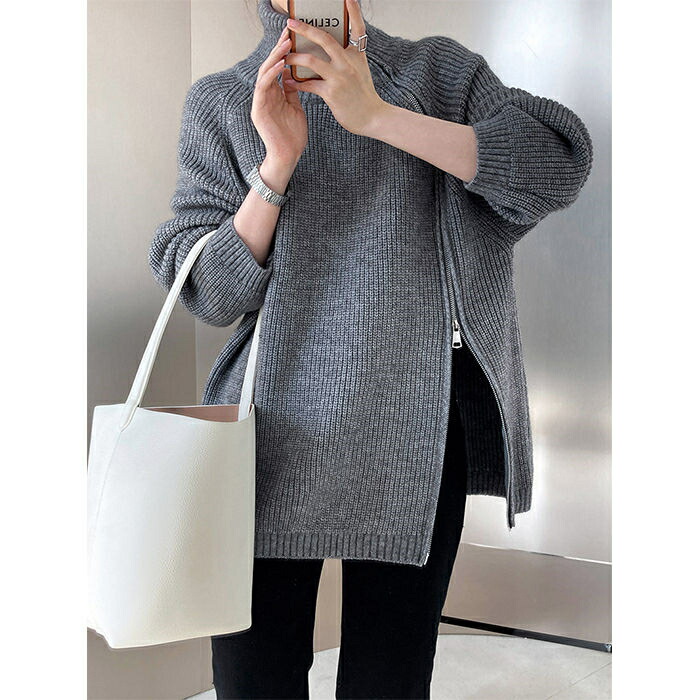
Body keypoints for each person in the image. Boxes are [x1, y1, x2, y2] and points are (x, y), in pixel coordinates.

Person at [149, 0, 594, 697]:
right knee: (253, 682)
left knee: (388, 682)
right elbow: (207, 291)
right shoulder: (226, 101)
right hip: (264, 436)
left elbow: (557, 165)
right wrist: (276, 164)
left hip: (415, 430)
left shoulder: (439, 74)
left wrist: (379, 115)